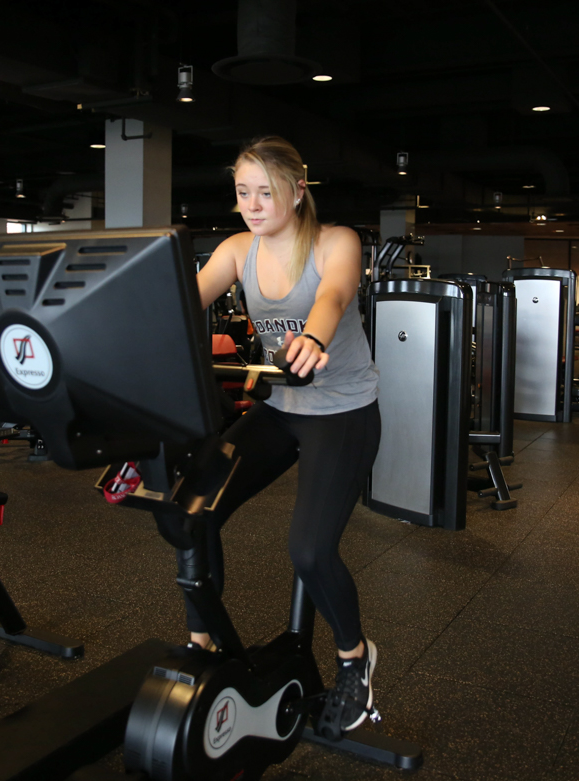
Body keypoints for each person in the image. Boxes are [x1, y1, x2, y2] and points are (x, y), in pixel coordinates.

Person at [157, 136, 381, 737]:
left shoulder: (336, 242)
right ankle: (203, 641)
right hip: (281, 406)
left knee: (309, 550)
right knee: (187, 512)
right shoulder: (237, 249)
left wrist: (314, 336)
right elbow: (182, 305)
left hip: (342, 412)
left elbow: (333, 294)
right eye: (242, 192)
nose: (252, 204)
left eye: (265, 191)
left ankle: (355, 660)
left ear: (297, 190)